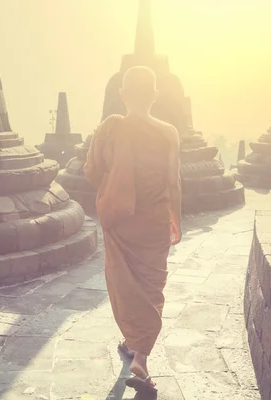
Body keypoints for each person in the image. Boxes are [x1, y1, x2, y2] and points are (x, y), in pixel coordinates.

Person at [84, 65, 182, 394]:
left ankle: (135, 345)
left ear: (123, 95)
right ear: (155, 96)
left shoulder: (110, 129)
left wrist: (116, 189)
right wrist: (176, 220)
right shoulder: (169, 132)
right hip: (154, 222)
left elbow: (94, 172)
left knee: (125, 285)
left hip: (122, 220)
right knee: (151, 287)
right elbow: (174, 182)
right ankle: (138, 353)